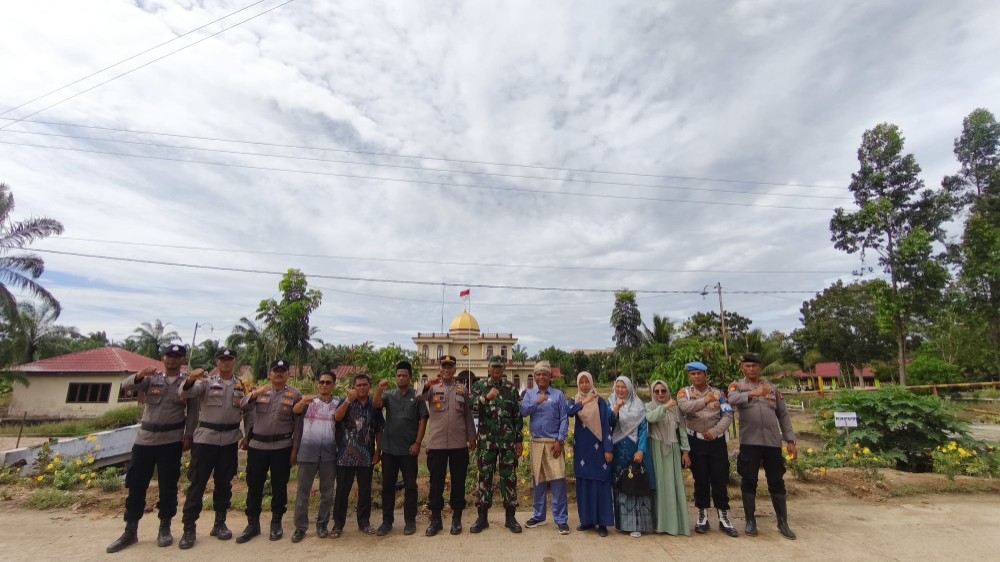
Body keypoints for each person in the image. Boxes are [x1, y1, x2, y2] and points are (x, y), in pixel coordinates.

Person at [107, 344, 195, 554]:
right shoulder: (151, 379)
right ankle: (130, 530)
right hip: (145, 440)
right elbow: (126, 385)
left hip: (171, 440)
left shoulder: (186, 383)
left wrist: (188, 435)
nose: (173, 359)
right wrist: (139, 374)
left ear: (182, 360)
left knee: (168, 485)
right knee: (136, 484)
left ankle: (164, 527)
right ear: (163, 358)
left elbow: (192, 412)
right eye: (169, 356)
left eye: (177, 356)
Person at [177, 348, 250, 549]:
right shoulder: (206, 382)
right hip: (205, 440)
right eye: (222, 359)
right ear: (217, 362)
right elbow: (184, 393)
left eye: (230, 359)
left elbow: (247, 410)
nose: (226, 362)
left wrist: (248, 435)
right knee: (197, 484)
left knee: (224, 484)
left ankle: (220, 523)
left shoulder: (241, 385)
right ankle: (189, 528)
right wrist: (191, 379)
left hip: (229, 441)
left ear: (235, 361)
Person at [727, 353, 798, 540]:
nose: (751, 369)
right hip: (750, 442)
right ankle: (750, 521)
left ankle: (783, 522)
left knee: (777, 481)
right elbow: (730, 400)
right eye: (747, 366)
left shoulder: (772, 388)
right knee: (749, 480)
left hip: (772, 443)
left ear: (761, 367)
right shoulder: (738, 387)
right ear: (742, 368)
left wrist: (790, 440)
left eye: (754, 366)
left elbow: (783, 415)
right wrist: (752, 394)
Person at [237, 359, 302, 544]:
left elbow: (298, 425)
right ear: (269, 374)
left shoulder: (294, 394)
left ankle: (276, 523)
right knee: (254, 485)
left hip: (282, 448)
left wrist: (295, 448)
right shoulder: (259, 392)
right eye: (276, 371)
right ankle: (252, 524)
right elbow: (243, 406)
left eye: (283, 371)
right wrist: (255, 393)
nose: (279, 374)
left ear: (288, 374)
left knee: (279, 486)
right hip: (258, 447)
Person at [677, 361, 737, 537]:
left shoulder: (718, 394)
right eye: (693, 374)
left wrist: (715, 431)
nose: (696, 376)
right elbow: (684, 407)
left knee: (720, 478)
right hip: (695, 442)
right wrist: (704, 400)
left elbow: (728, 414)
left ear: (705, 375)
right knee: (700, 479)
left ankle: (723, 516)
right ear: (689, 376)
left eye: (699, 373)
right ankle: (702, 515)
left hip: (716, 441)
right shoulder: (685, 393)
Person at [419, 355, 477, 536]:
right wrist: (427, 384)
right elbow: (417, 397)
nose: (447, 369)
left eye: (450, 367)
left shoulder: (463, 389)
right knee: (436, 483)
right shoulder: (432, 388)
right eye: (444, 366)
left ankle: (457, 518)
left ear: (454, 370)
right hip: (436, 444)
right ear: (440, 369)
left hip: (458, 443)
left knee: (458, 482)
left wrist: (472, 437)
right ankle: (435, 520)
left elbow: (468, 415)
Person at [373, 361, 428, 536]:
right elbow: (375, 405)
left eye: (404, 375)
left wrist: (418, 443)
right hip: (389, 449)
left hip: (409, 450)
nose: (401, 378)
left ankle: (410, 521)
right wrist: (379, 389)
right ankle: (387, 521)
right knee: (388, 486)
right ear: (396, 377)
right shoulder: (388, 395)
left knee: (411, 486)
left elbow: (423, 420)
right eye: (398, 375)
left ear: (410, 377)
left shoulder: (417, 396)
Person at [470, 355, 523, 534]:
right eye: (494, 367)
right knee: (485, 478)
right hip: (487, 442)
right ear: (488, 368)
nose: (497, 370)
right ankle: (482, 517)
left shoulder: (511, 389)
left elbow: (517, 416)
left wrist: (519, 440)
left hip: (507, 443)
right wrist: (486, 397)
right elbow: (470, 404)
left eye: (500, 368)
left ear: (504, 369)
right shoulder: (480, 386)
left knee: (509, 478)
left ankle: (510, 517)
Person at [290, 370, 340, 542]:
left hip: (329, 454)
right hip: (307, 452)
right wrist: (303, 401)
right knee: (303, 492)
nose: (324, 385)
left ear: (334, 384)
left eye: (328, 382)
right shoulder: (309, 401)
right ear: (317, 384)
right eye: (321, 382)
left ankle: (322, 524)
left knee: (327, 492)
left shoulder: (338, 403)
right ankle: (300, 527)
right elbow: (295, 410)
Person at [520, 361, 570, 534]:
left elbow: (564, 418)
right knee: (538, 481)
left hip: (553, 443)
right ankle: (539, 516)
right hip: (537, 443)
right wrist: (537, 403)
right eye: (538, 374)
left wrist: (560, 440)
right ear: (534, 377)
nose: (541, 377)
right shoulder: (529, 394)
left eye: (544, 374)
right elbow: (524, 411)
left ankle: (561, 519)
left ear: (550, 377)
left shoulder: (558, 395)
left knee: (558, 481)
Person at [331, 373, 383, 538]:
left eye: (364, 385)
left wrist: (378, 451)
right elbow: (337, 417)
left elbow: (379, 429)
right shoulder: (345, 402)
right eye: (358, 385)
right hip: (345, 455)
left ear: (369, 386)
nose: (361, 388)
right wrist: (347, 400)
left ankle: (364, 522)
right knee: (342, 491)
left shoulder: (373, 406)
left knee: (365, 490)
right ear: (354, 387)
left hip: (366, 456)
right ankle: (338, 524)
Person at [567, 372, 614, 537]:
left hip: (599, 449)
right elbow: (568, 411)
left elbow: (606, 425)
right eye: (582, 382)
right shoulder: (574, 400)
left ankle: (602, 523)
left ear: (592, 383)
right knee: (584, 484)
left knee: (600, 483)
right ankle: (586, 521)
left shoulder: (600, 401)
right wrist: (584, 402)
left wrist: (608, 449)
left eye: (587, 382)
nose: (585, 385)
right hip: (582, 450)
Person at [608, 375, 655, 538]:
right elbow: (609, 424)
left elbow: (643, 428)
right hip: (618, 448)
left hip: (634, 447)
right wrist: (616, 409)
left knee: (636, 482)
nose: (620, 390)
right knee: (621, 483)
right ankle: (621, 524)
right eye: (618, 387)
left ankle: (638, 524)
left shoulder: (638, 405)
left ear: (629, 388)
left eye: (624, 387)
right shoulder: (611, 402)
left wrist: (641, 449)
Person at [645, 380, 691, 536]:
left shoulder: (676, 409)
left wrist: (685, 451)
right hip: (656, 449)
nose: (660, 394)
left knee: (673, 486)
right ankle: (659, 524)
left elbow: (683, 431)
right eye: (657, 391)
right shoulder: (649, 406)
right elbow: (651, 418)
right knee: (659, 485)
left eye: (663, 391)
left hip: (672, 449)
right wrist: (664, 407)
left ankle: (675, 525)